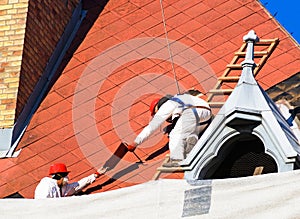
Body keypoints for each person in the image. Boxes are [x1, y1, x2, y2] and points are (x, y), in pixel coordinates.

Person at [128, 89, 212, 167]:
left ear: (158, 107)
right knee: (188, 131)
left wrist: (135, 143)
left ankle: (176, 160)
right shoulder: (180, 98)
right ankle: (191, 143)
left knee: (175, 134)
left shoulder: (166, 105)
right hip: (206, 115)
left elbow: (152, 126)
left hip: (191, 112)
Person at [34, 163, 107, 199]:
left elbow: (77, 186)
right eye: (65, 174)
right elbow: (41, 205)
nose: (67, 177)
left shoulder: (62, 187)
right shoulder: (45, 187)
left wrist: (96, 175)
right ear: (58, 175)